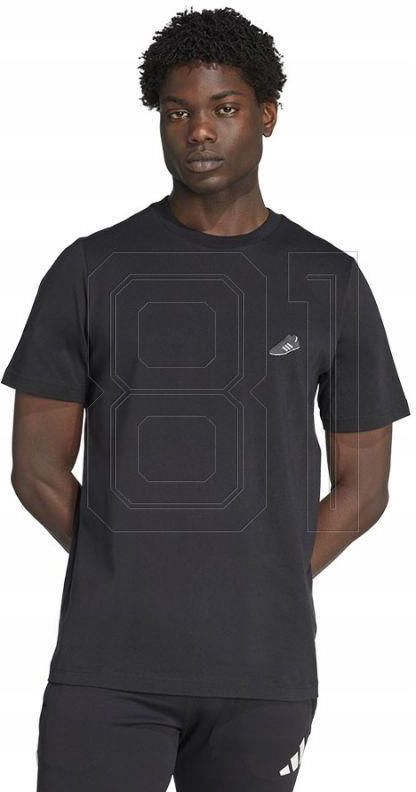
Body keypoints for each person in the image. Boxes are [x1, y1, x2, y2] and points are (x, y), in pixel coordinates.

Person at [1, 7, 411, 792]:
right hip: (107, 669)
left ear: (267, 115)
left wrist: (266, 576)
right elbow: (35, 470)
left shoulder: (329, 279)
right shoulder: (89, 270)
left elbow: (365, 487)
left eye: (224, 108)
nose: (198, 131)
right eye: (177, 111)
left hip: (262, 673)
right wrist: (128, 567)